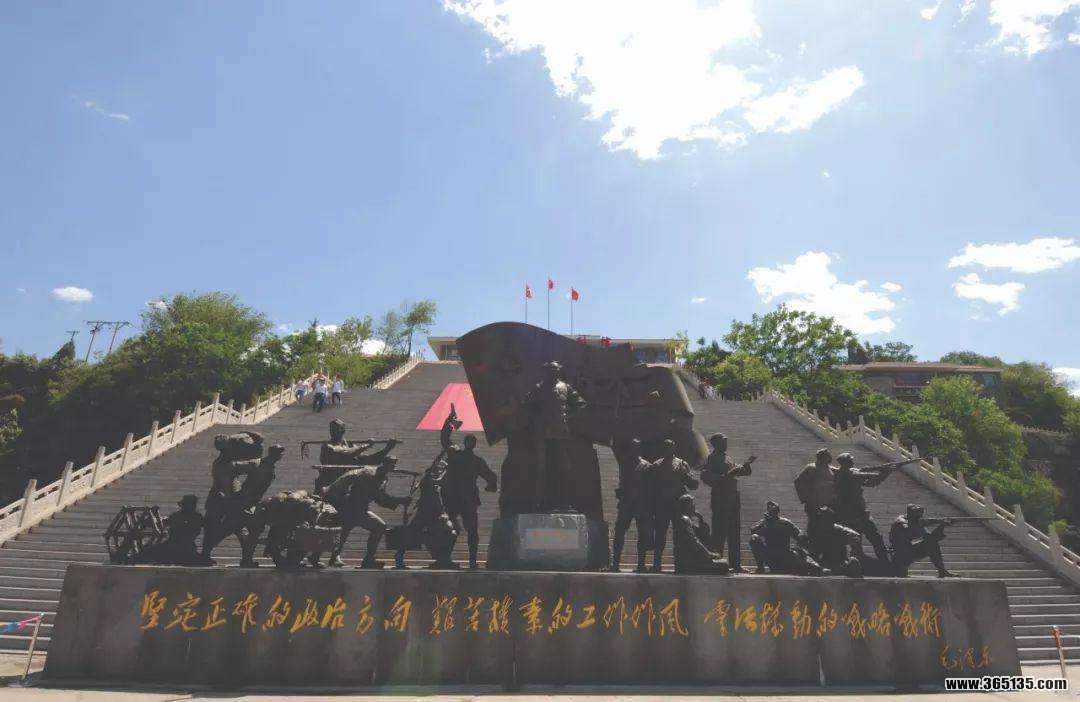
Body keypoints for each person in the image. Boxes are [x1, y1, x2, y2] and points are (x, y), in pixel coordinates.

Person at [322, 457, 411, 568]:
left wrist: (401, 501)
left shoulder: (383, 479)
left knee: (377, 526)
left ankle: (368, 559)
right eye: (390, 465)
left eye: (393, 465)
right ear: (383, 464)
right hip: (350, 506)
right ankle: (335, 557)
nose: (392, 467)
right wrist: (331, 491)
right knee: (344, 531)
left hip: (362, 509)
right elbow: (347, 477)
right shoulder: (367, 471)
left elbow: (381, 498)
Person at [521, 360, 587, 511]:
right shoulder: (539, 388)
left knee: (563, 467)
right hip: (543, 434)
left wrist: (567, 416)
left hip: (561, 433)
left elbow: (580, 404)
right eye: (550, 370)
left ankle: (563, 503)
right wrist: (538, 419)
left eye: (555, 370)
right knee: (542, 467)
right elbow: (527, 405)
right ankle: (542, 503)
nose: (553, 372)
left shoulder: (566, 387)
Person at [387, 459, 458, 569]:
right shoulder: (427, 480)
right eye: (437, 470)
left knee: (448, 533)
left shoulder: (435, 483)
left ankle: (442, 559)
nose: (439, 472)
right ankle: (400, 557)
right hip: (424, 514)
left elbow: (439, 492)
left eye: (440, 470)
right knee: (412, 535)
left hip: (434, 515)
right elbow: (435, 479)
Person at [699, 433, 754, 573]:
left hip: (733, 498)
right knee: (719, 532)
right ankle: (717, 563)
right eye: (723, 442)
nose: (726, 444)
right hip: (720, 498)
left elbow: (740, 471)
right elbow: (705, 476)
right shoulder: (712, 458)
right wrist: (725, 476)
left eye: (726, 441)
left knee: (734, 532)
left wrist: (746, 465)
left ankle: (736, 564)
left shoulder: (728, 458)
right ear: (716, 444)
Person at [442, 436, 498, 569]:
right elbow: (491, 477)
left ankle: (445, 558)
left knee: (451, 528)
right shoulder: (476, 460)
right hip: (468, 499)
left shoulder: (455, 456)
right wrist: (491, 486)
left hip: (453, 498)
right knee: (472, 531)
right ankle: (472, 561)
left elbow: (444, 441)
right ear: (474, 445)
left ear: (465, 443)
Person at [645, 438, 698, 573]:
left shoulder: (681, 464)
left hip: (678, 504)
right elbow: (650, 486)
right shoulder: (656, 464)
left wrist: (687, 476)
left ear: (674, 448)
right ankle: (657, 564)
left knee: (679, 535)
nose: (667, 449)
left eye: (670, 446)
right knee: (660, 535)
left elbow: (692, 484)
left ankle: (680, 564)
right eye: (665, 447)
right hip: (662, 504)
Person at [831, 452, 895, 561]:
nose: (853, 461)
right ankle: (862, 561)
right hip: (852, 513)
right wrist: (885, 472)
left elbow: (871, 481)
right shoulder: (848, 475)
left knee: (873, 538)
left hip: (856, 512)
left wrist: (883, 471)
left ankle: (883, 561)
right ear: (846, 463)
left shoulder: (844, 472)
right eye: (850, 460)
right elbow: (872, 480)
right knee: (864, 539)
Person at [311, 419, 401, 493]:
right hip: (327, 487)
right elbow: (346, 454)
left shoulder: (349, 445)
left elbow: (370, 460)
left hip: (343, 487)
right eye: (331, 429)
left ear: (343, 430)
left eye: (336, 429)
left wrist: (387, 449)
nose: (333, 431)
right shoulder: (327, 446)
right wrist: (366, 446)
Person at [608, 438, 653, 572]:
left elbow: (651, 487)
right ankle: (615, 564)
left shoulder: (647, 466)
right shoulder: (624, 463)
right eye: (632, 447)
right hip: (626, 503)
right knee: (619, 532)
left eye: (636, 447)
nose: (634, 450)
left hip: (641, 505)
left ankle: (641, 565)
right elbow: (615, 448)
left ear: (640, 449)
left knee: (643, 534)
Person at [748, 501, 824, 575]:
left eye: (774, 511)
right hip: (770, 555)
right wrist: (764, 523)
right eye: (771, 512)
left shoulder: (785, 523)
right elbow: (753, 531)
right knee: (754, 537)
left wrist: (802, 540)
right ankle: (760, 568)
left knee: (802, 558)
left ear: (777, 512)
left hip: (784, 554)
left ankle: (812, 566)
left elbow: (799, 535)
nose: (773, 513)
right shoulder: (765, 523)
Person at [889, 504, 958, 578]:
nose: (920, 518)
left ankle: (942, 571)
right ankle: (901, 570)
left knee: (932, 544)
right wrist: (941, 526)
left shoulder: (914, 520)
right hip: (900, 554)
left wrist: (942, 522)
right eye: (918, 516)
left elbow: (928, 522)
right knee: (931, 541)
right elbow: (928, 536)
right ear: (911, 515)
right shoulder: (903, 523)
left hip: (909, 550)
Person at [672, 494, 729, 575]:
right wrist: (708, 554)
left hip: (687, 562)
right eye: (692, 504)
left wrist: (701, 520)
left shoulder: (685, 520)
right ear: (687, 506)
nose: (694, 507)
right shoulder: (684, 520)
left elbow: (704, 535)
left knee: (722, 562)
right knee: (724, 565)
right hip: (687, 564)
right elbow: (694, 542)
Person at [805, 506, 864, 576]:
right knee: (814, 565)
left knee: (853, 562)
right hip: (826, 562)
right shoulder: (816, 532)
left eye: (826, 519)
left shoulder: (838, 530)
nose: (823, 521)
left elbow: (855, 536)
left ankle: (846, 570)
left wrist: (854, 549)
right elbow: (812, 551)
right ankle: (823, 570)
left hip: (841, 562)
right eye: (821, 519)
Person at [794, 448, 836, 520]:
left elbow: (841, 471)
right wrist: (805, 498)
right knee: (814, 521)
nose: (830, 457)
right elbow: (798, 482)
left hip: (828, 501)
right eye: (828, 455)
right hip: (814, 502)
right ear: (823, 457)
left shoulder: (829, 468)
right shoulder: (811, 468)